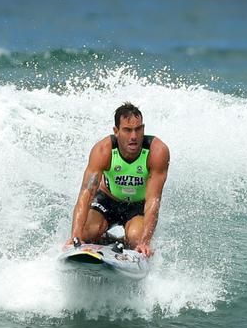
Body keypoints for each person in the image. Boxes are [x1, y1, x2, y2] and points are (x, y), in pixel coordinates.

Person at [67, 102, 170, 257]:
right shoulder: (103, 150)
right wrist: (75, 236)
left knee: (136, 238)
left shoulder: (157, 152)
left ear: (143, 129)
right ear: (116, 131)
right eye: (127, 130)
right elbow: (86, 194)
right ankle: (105, 240)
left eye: (138, 129)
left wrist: (144, 243)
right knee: (88, 231)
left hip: (138, 205)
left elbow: (153, 200)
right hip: (107, 200)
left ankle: (124, 242)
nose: (134, 136)